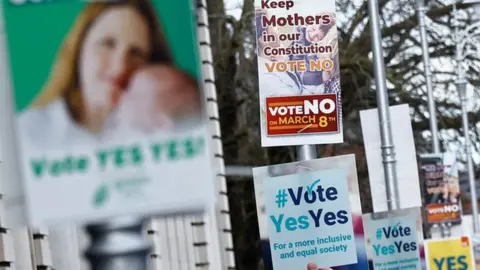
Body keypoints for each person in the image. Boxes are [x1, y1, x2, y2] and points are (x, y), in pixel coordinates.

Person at [18, 0, 200, 148]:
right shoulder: (28, 135)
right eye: (107, 44)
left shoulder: (176, 133)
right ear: (79, 48)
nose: (120, 66)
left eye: (136, 53)